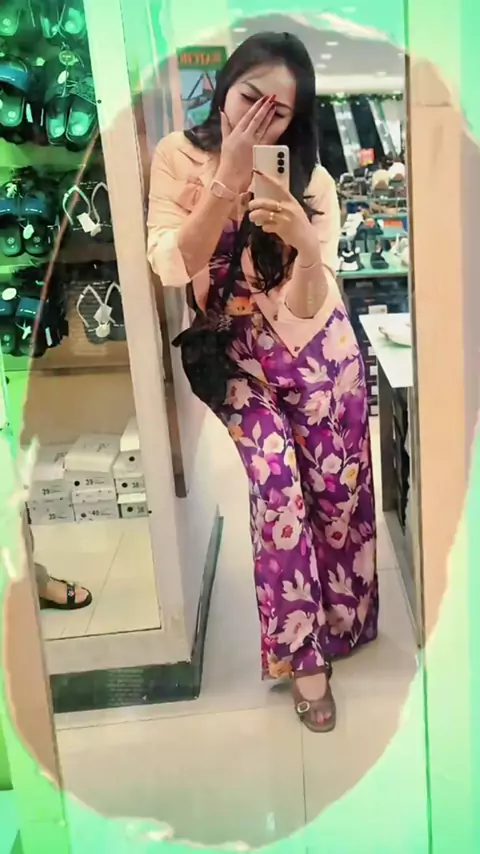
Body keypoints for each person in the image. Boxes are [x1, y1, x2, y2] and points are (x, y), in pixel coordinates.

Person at [147, 32, 378, 733]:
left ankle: (344, 621)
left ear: (295, 119)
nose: (257, 119)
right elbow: (171, 264)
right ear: (225, 87)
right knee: (278, 487)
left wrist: (305, 246)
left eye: (277, 112)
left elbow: (310, 305)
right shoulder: (177, 156)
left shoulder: (312, 179)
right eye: (249, 97)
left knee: (336, 494)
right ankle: (304, 657)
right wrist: (225, 179)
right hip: (234, 356)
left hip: (319, 351)